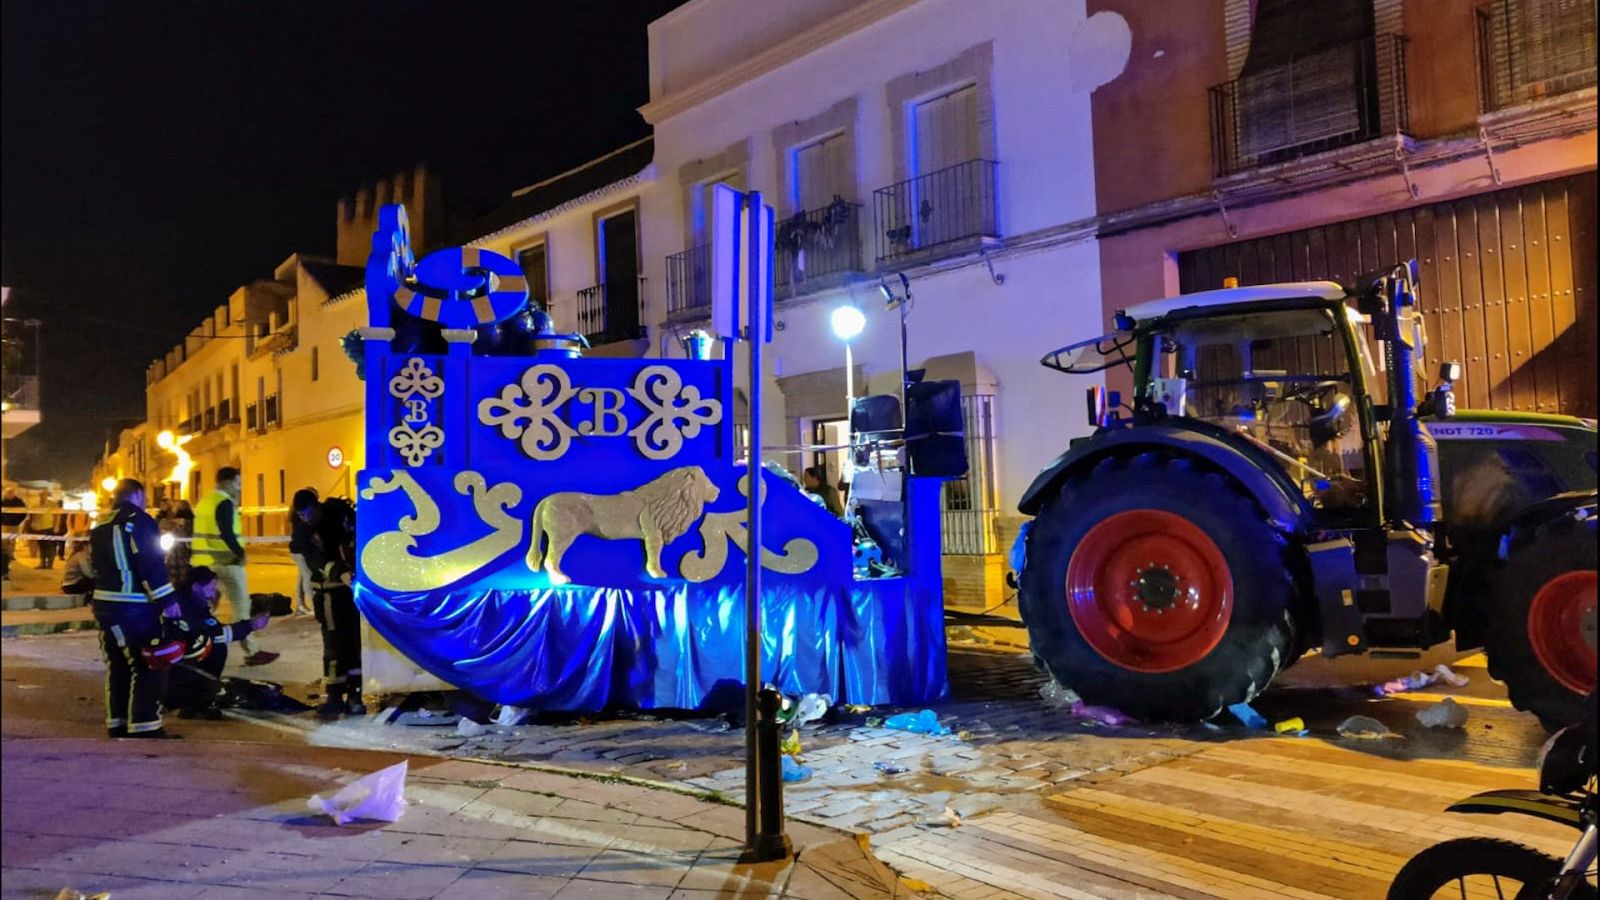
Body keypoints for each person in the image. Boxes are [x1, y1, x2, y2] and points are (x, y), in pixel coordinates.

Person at [90, 478, 183, 739]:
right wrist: (168, 600)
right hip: (132, 605)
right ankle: (145, 725)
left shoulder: (101, 524)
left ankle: (117, 722)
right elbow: (150, 563)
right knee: (147, 663)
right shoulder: (139, 520)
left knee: (118, 664)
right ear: (139, 495)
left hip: (104, 605)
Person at [192, 467, 277, 666]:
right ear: (226, 482)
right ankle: (252, 651)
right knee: (241, 606)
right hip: (227, 562)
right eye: (237, 483)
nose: (239, 488)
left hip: (205, 565)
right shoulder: (223, 503)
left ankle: (195, 644)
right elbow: (226, 533)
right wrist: (240, 554)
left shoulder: (205, 502)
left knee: (205, 609)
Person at [162, 566, 272, 719]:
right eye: (211, 588)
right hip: (174, 667)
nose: (213, 593)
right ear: (196, 587)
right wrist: (250, 626)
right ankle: (187, 698)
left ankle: (195, 700)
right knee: (214, 647)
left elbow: (214, 628)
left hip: (180, 663)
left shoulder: (196, 603)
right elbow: (211, 635)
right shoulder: (182, 607)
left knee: (216, 647)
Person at [310, 497, 364, 719]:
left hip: (341, 597)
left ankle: (344, 697)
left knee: (345, 646)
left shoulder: (335, 528)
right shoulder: (327, 530)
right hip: (336, 596)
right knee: (342, 647)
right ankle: (345, 697)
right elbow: (320, 560)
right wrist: (341, 573)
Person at [288, 488, 319, 617]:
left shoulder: (294, 513)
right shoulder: (302, 515)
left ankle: (300, 604)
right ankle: (314, 607)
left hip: (296, 549)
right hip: (301, 550)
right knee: (308, 578)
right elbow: (306, 534)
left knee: (302, 577)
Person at [29, 490, 60, 569]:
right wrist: (33, 523)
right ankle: (42, 563)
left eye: (44, 495)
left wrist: (56, 526)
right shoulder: (35, 504)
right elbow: (32, 515)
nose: (42, 496)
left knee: (50, 546)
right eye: (41, 494)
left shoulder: (52, 504)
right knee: (41, 546)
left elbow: (57, 516)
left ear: (47, 495)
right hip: (39, 528)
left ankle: (50, 564)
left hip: (49, 527)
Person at [0, 485, 25, 582]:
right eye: (8, 492)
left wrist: (17, 521)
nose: (9, 494)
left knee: (11, 545)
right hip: (4, 525)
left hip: (14, 525)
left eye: (11, 492)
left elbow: (23, 513)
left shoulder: (19, 502)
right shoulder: (3, 501)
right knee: (4, 546)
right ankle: (5, 567)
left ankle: (8, 562)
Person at [60, 533, 95, 601]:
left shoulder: (75, 554)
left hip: (68, 584)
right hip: (72, 585)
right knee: (96, 582)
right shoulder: (82, 556)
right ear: (86, 545)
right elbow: (88, 573)